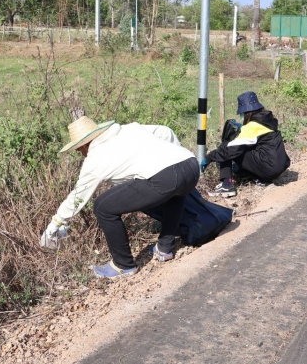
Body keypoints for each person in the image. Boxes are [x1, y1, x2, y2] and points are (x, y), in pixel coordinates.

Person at [40, 114, 199, 280]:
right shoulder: (128, 129)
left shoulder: (95, 158)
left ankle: (123, 265)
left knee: (102, 207)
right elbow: (165, 131)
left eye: (79, 149)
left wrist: (54, 225)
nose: (81, 154)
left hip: (167, 178)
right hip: (190, 164)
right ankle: (165, 248)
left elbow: (78, 196)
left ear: (85, 144)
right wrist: (175, 160)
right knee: (174, 193)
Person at [203, 91, 290, 198]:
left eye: (242, 114)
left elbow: (231, 150)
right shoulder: (268, 120)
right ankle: (258, 178)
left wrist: (209, 157)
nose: (241, 116)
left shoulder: (252, 127)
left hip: (268, 167)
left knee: (228, 146)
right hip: (278, 168)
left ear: (247, 113)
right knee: (245, 148)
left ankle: (227, 185)